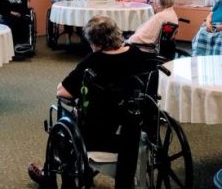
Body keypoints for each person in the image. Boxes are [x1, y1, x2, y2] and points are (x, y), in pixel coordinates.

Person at [28, 15, 154, 185]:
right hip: (136, 130)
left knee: (64, 119)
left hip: (101, 136)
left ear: (96, 42)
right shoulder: (137, 54)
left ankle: (50, 173)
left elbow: (63, 92)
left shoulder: (94, 61)